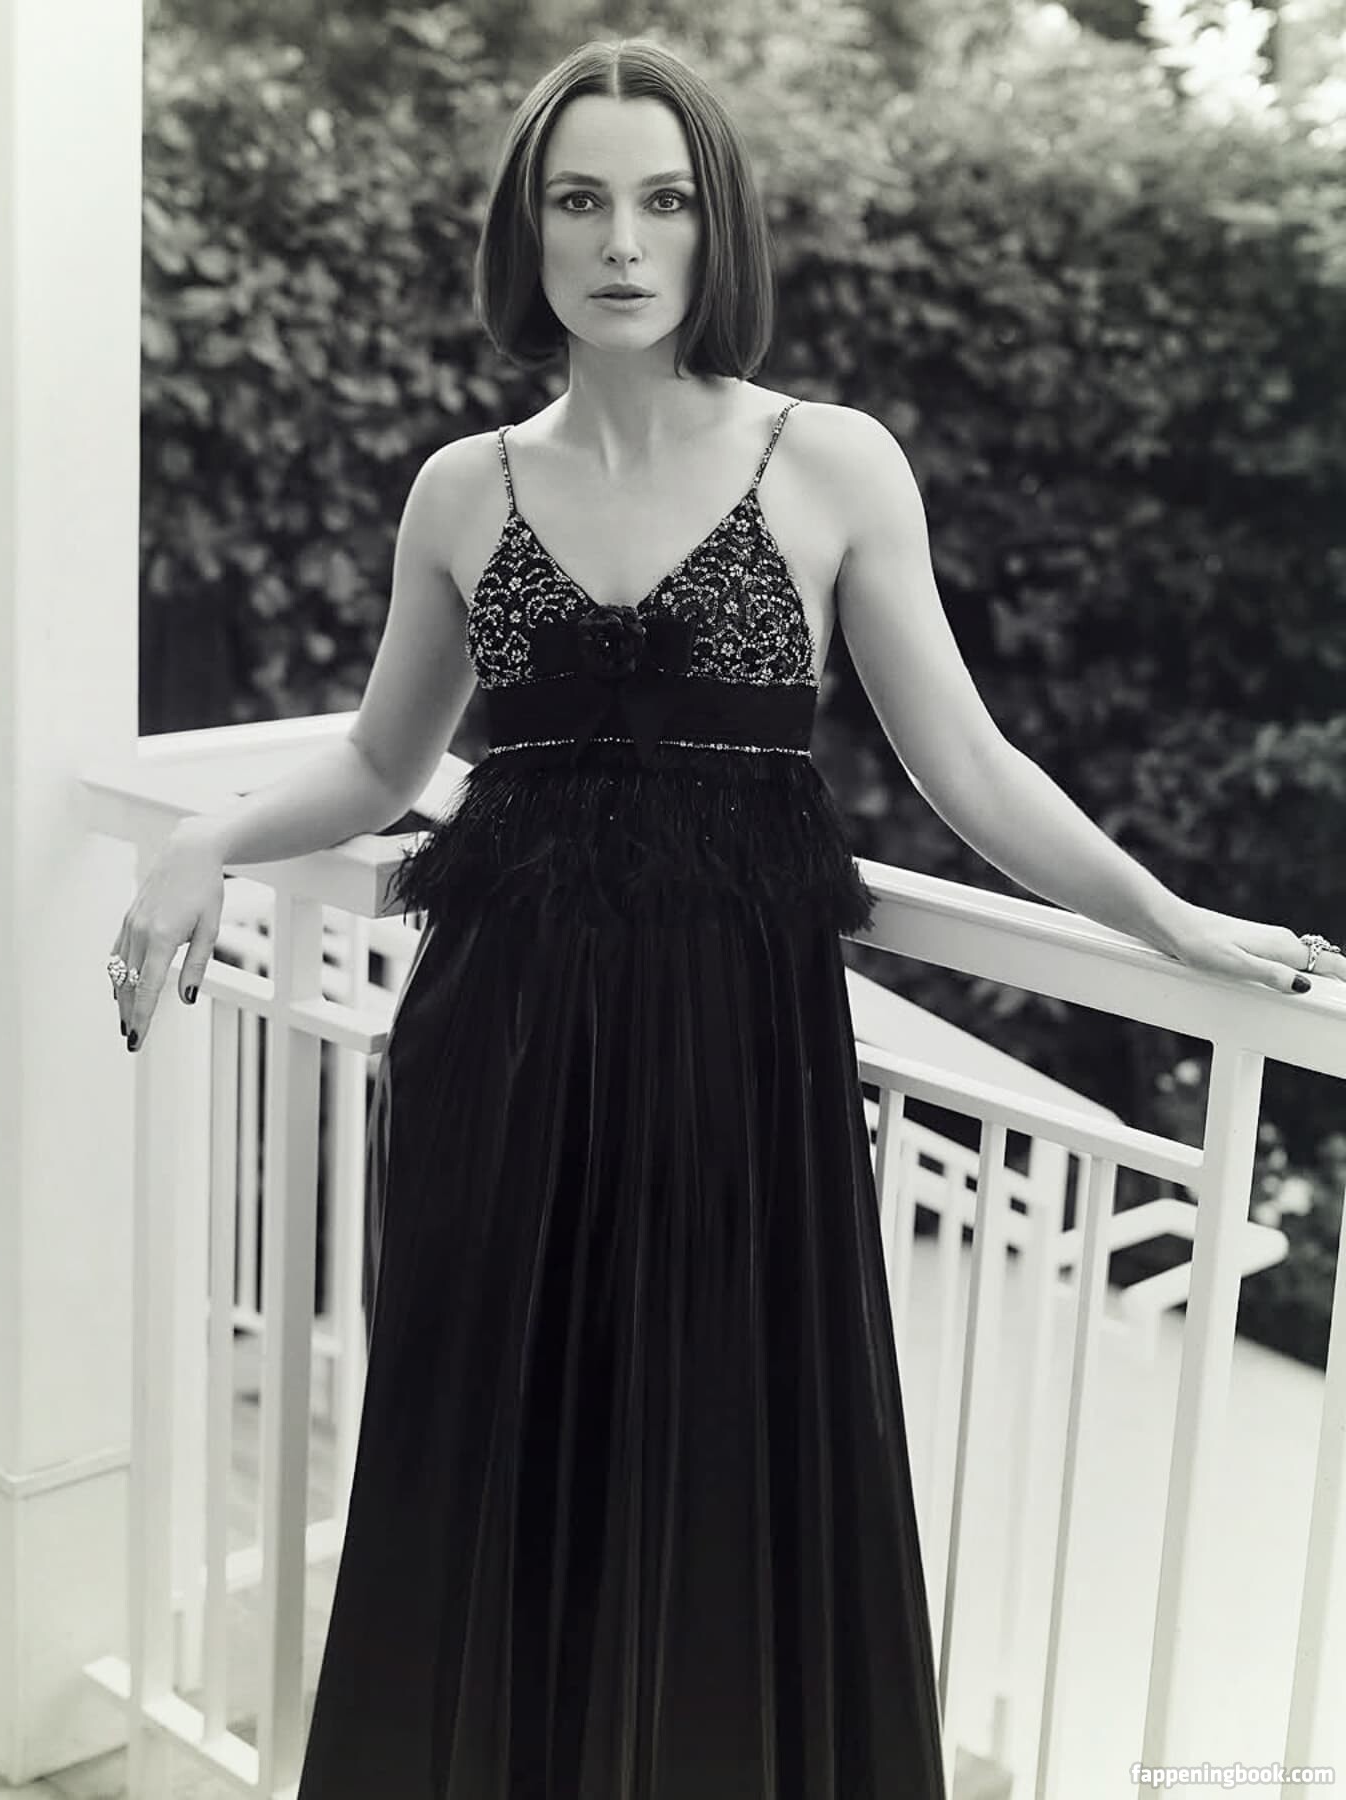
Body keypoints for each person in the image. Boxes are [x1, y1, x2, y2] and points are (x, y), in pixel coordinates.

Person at [107, 36, 1343, 1799]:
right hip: (498, 1060)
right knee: (494, 1485)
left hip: (736, 1075)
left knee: (720, 1500)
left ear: (718, 227)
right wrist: (206, 840)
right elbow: (385, 761)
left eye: (665, 201)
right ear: (529, 232)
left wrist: (1171, 922)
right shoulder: (463, 488)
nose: (623, 242)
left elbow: (967, 768)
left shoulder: (830, 462)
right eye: (580, 200)